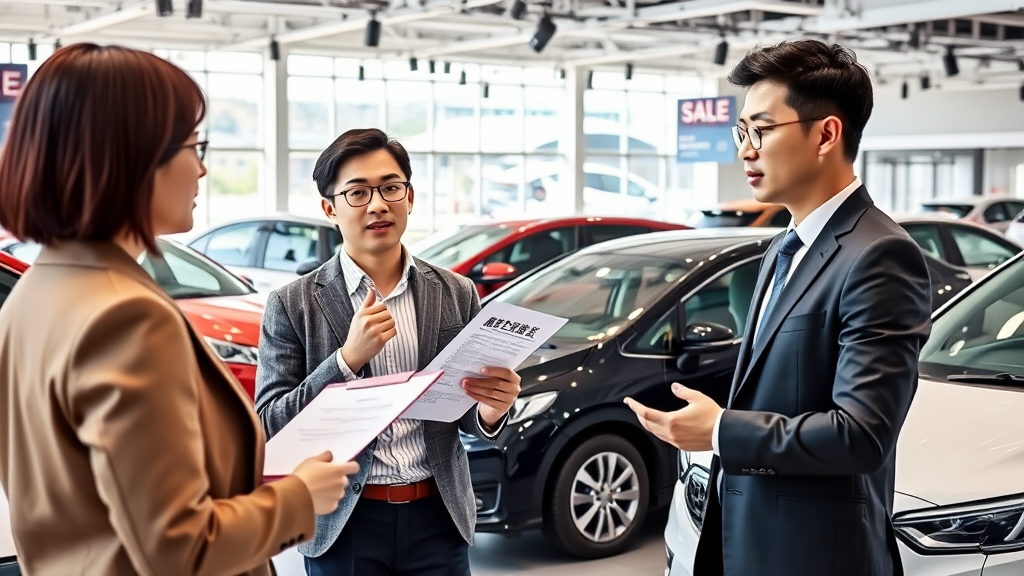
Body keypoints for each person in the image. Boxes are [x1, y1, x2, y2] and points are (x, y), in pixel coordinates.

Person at [0, 44, 359, 576]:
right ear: (132, 157)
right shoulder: (125, 317)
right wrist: (299, 500)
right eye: (194, 145)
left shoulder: (34, 293)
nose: (204, 168)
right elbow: (179, 546)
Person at [624, 40, 932, 575]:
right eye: (741, 132)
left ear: (826, 135)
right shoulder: (781, 248)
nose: (745, 150)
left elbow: (861, 435)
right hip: (750, 541)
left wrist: (720, 430)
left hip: (816, 555)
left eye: (762, 131)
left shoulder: (881, 254)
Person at [255, 128, 522, 576]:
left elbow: (462, 412)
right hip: (345, 522)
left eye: (390, 187)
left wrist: (492, 409)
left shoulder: (455, 292)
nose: (378, 204)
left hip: (439, 516)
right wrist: (346, 361)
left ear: (409, 196)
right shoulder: (292, 303)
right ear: (330, 209)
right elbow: (271, 424)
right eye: (357, 193)